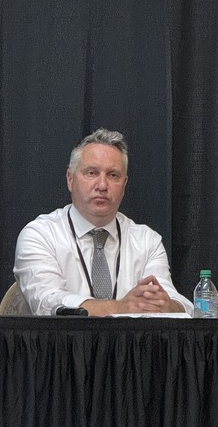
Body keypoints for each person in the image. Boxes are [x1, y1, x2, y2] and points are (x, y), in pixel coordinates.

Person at [14, 128, 192, 316]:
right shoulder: (40, 234)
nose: (102, 185)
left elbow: (171, 297)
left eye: (113, 175)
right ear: (70, 179)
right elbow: (47, 301)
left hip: (132, 345)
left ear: (124, 185)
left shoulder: (147, 241)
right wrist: (120, 308)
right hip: (60, 344)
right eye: (91, 173)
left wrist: (166, 305)